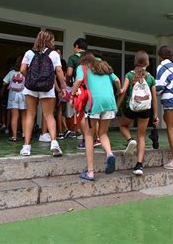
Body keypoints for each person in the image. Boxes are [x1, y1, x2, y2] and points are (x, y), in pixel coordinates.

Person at [71, 51, 122, 181]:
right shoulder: (104, 66)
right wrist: (119, 90)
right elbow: (117, 80)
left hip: (94, 103)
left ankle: (90, 172)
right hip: (110, 102)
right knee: (103, 133)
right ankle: (109, 154)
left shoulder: (82, 67)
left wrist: (71, 95)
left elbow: (78, 80)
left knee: (89, 135)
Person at [19, 30, 66, 157]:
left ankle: (26, 147)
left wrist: (30, 78)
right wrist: (63, 87)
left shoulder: (29, 53)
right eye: (53, 40)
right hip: (47, 88)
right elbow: (59, 71)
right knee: (49, 115)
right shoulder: (54, 54)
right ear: (49, 40)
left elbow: (22, 69)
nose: (54, 42)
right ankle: (54, 143)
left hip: (31, 88)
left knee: (30, 115)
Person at [117, 51, 159, 176]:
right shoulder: (151, 78)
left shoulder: (130, 75)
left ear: (135, 61)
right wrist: (155, 114)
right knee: (141, 136)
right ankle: (139, 165)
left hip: (132, 107)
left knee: (123, 126)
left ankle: (130, 140)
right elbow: (154, 98)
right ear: (147, 62)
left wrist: (117, 106)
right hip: (145, 109)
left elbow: (123, 92)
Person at [66, 38, 88, 144]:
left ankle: (82, 135)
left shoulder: (73, 58)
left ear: (77, 46)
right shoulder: (90, 58)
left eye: (74, 47)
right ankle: (93, 136)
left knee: (79, 112)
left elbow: (69, 73)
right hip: (91, 87)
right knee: (90, 112)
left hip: (79, 88)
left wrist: (67, 82)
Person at [3, 56, 27, 142]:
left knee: (14, 116)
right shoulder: (25, 73)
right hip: (23, 95)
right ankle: (24, 134)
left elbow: (4, 83)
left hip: (13, 96)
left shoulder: (11, 72)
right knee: (24, 116)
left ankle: (14, 136)